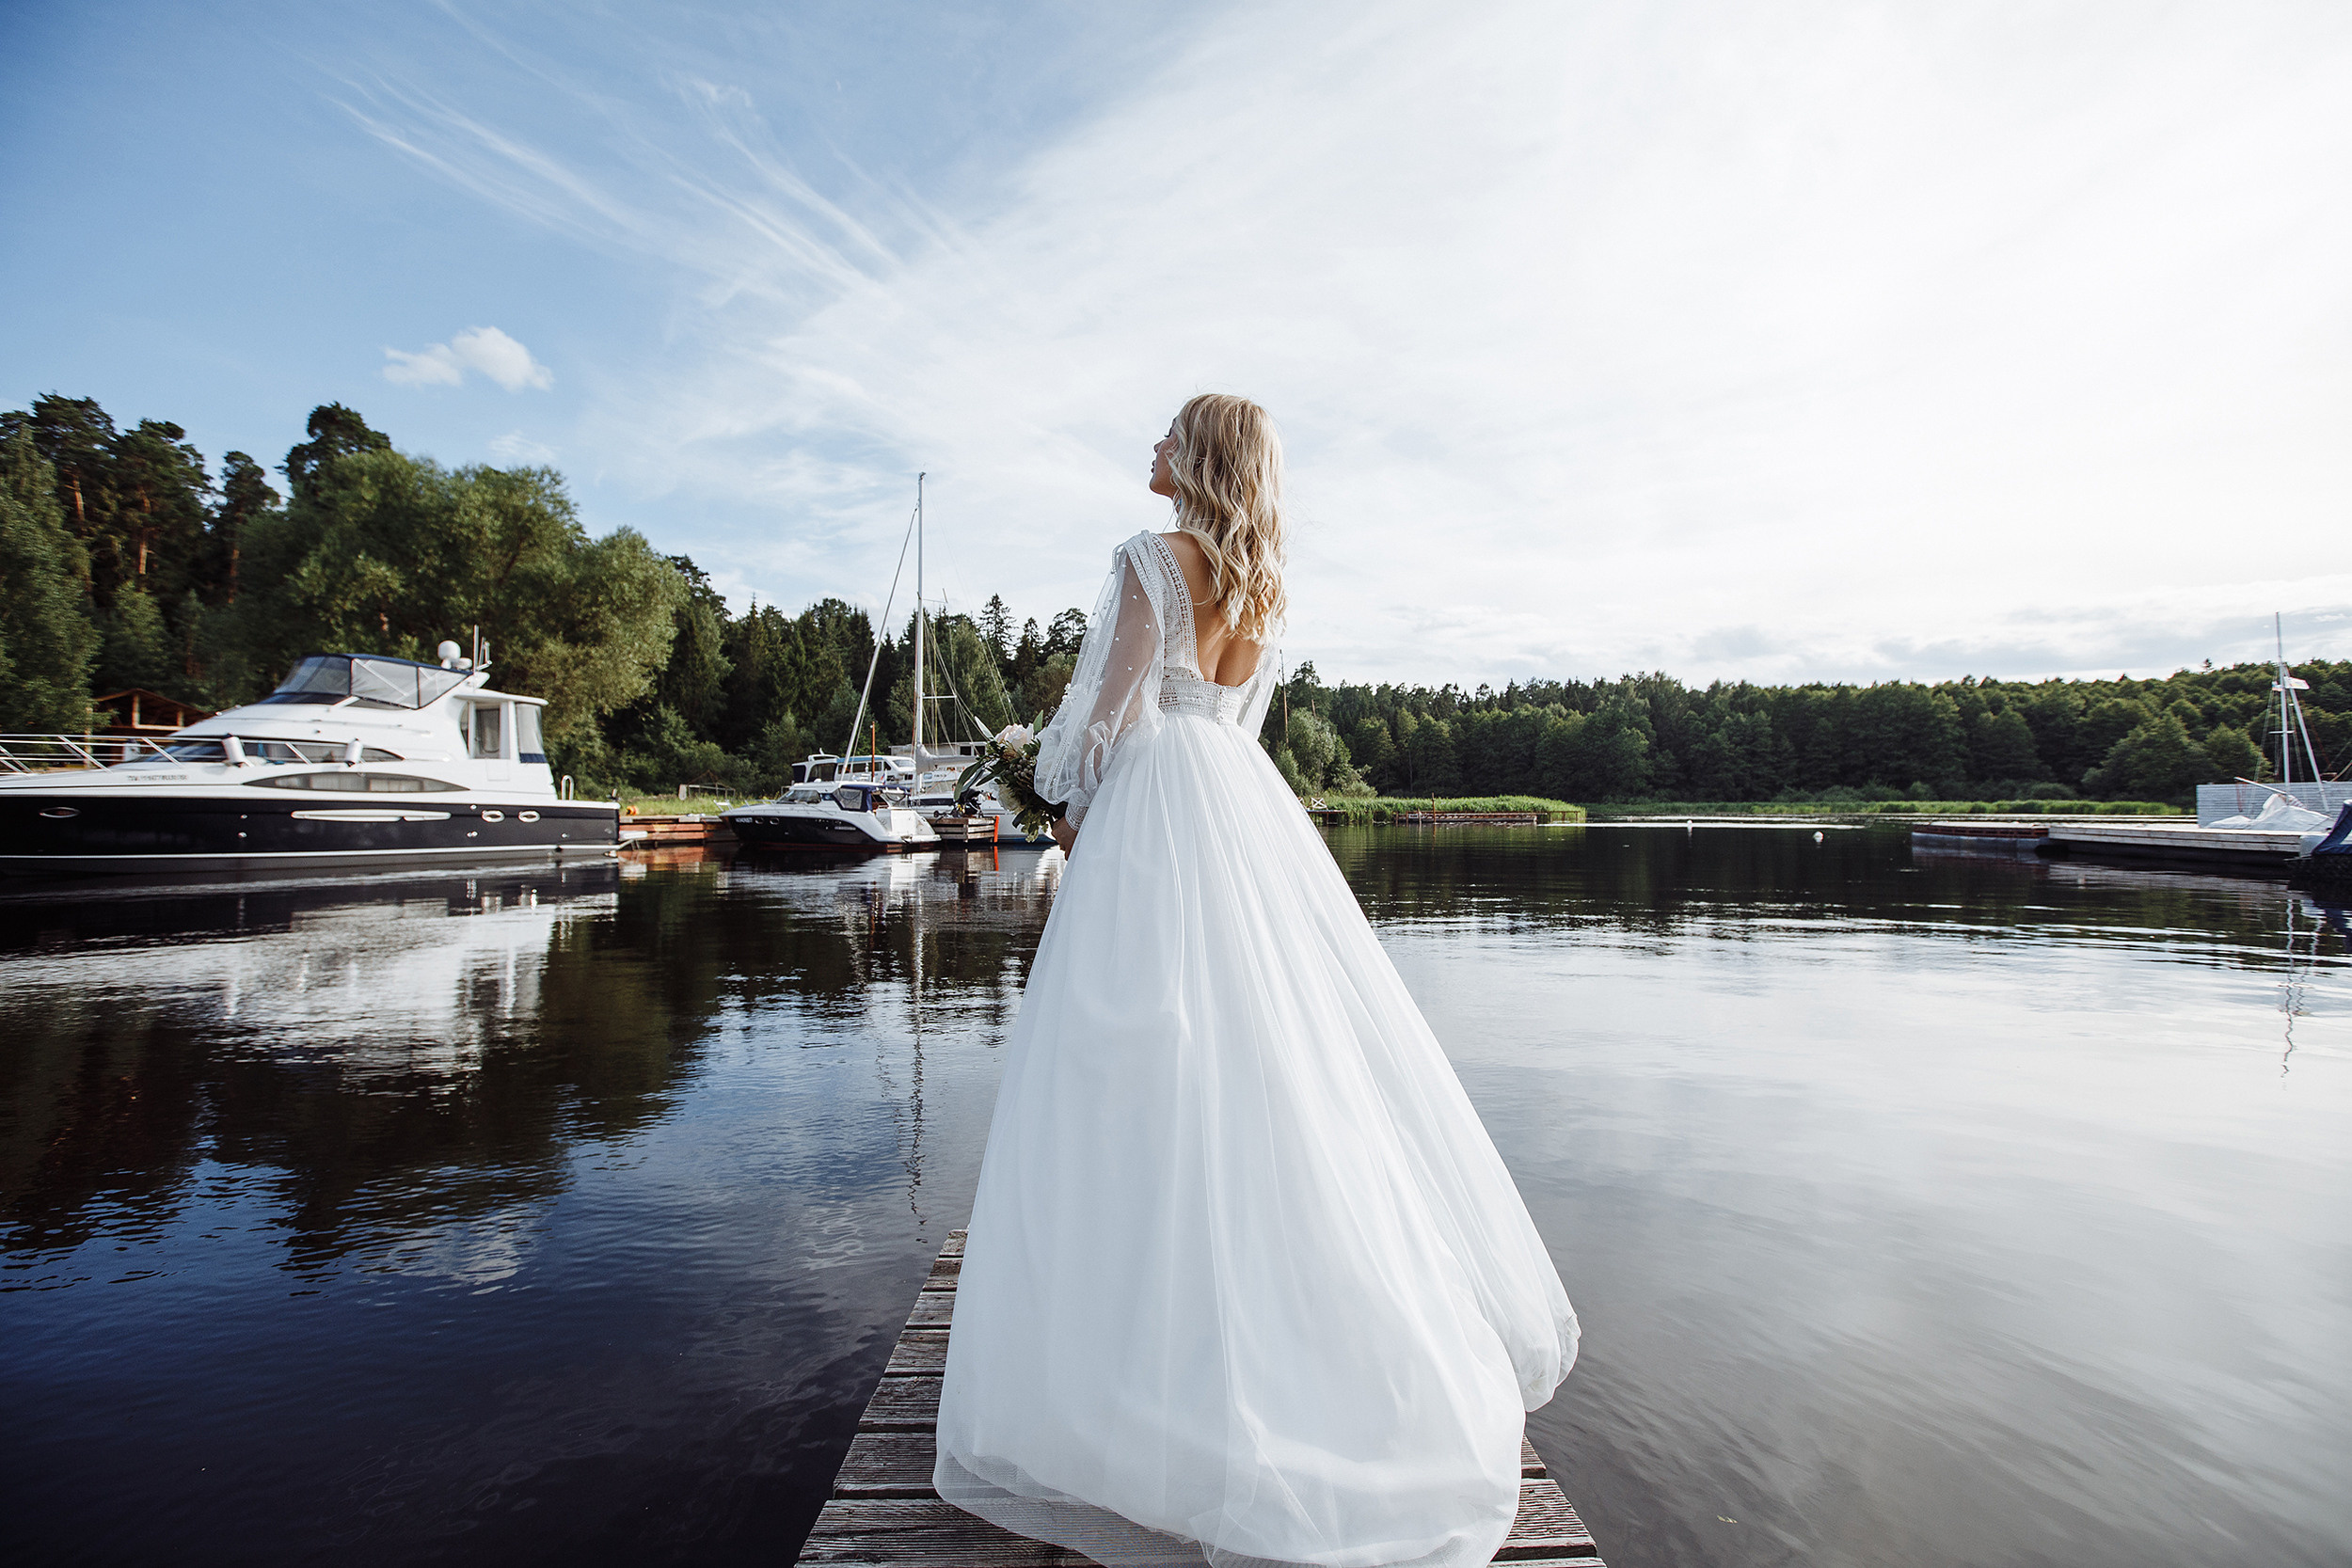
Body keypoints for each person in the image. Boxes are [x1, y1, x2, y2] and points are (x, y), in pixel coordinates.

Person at [933, 393, 1578, 1568]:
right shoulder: (1262, 585)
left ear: (1197, 459)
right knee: (1267, 1065)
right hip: (1235, 803)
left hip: (1153, 815)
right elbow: (1232, 715)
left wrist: (1049, 781)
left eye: (1165, 434)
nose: (1149, 448)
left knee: (1131, 1062)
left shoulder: (1147, 555)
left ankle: (1129, 1364)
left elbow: (1111, 713)